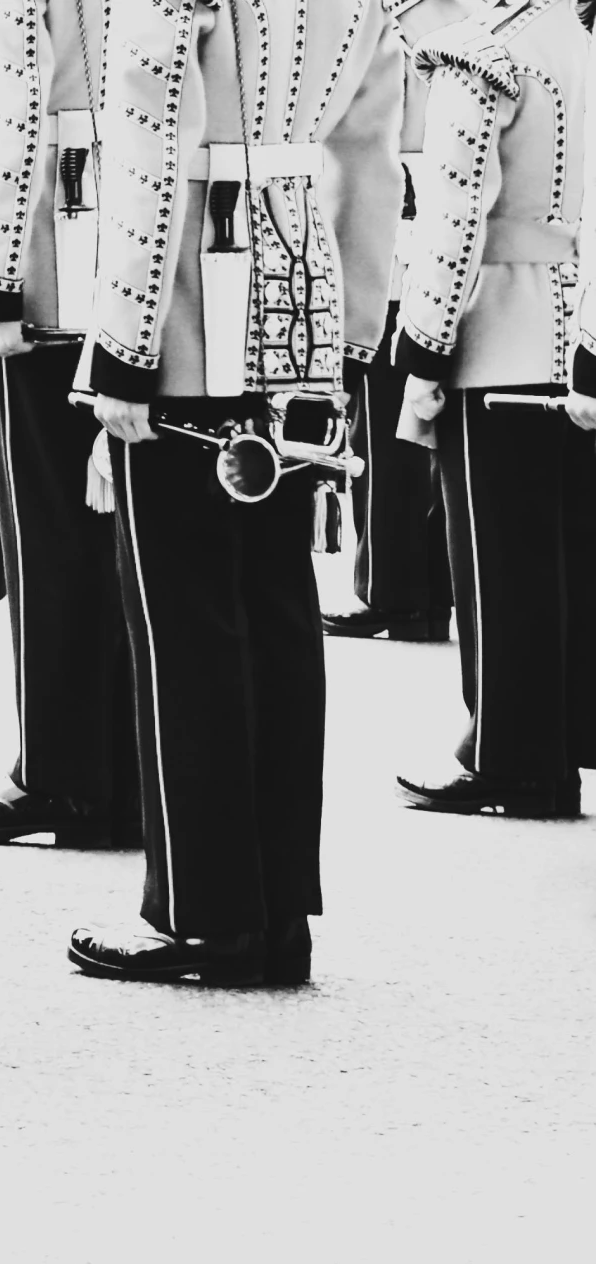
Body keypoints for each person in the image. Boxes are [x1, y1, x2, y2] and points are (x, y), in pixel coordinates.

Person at [66, 0, 401, 987]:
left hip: (184, 295)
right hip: (299, 284)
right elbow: (368, 153)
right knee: (273, 605)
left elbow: (147, 140)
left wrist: (121, 349)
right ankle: (275, 906)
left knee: (185, 621)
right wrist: (347, 331)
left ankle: (202, 912)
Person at [0, 0, 142, 849]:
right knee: (133, 535)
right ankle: (131, 772)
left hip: (59, 246)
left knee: (51, 538)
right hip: (160, 253)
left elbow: (11, 111)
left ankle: (61, 771)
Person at [388, 0, 592, 818]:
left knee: (496, 569)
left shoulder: (483, 54)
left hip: (497, 334)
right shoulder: (578, 41)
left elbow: (453, 223)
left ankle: (510, 752)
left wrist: (425, 356)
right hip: (576, 332)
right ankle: (561, 742)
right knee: (564, 562)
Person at [324, 54, 453, 646]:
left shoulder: (405, 23)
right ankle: (427, 590)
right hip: (440, 254)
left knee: (379, 437)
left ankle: (393, 593)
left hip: (400, 252)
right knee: (421, 439)